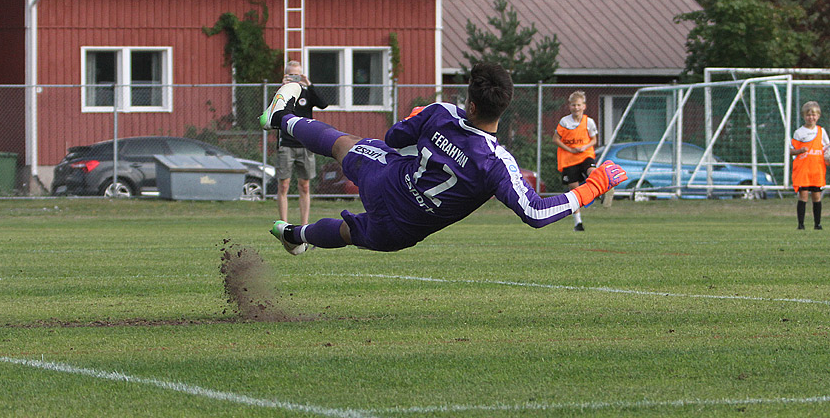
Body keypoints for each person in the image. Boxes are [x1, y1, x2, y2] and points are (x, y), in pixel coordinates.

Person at [259, 61, 627, 255]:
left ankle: (281, 118)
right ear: (505, 108)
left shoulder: (442, 112)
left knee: (344, 144)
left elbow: (393, 137)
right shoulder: (496, 162)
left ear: (471, 102)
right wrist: (596, 185)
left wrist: (417, 119)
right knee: (349, 232)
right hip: (405, 228)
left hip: (387, 180)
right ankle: (295, 234)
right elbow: (535, 213)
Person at [274, 60, 328, 226]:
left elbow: (323, 104)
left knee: (304, 186)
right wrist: (282, 87)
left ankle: (304, 225)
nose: (294, 78)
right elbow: (273, 111)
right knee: (284, 185)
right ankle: (284, 224)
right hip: (286, 144)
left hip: (304, 144)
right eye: (291, 75)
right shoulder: (283, 94)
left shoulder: (306, 93)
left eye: (297, 74)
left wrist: (309, 84)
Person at [552, 90, 604, 231]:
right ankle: (578, 223)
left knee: (592, 171)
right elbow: (556, 139)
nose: (576, 108)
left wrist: (584, 146)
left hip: (584, 154)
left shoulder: (589, 122)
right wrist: (570, 149)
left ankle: (602, 190)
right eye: (574, 105)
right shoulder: (565, 122)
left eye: (579, 105)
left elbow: (594, 139)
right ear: (570, 106)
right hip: (569, 159)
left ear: (584, 106)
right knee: (574, 192)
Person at [790, 100, 830, 230]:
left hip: (817, 169)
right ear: (803, 116)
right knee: (803, 195)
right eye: (808, 115)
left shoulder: (821, 131)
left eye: (814, 115)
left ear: (818, 116)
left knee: (817, 196)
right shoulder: (799, 132)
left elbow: (827, 148)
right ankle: (800, 224)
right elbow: (790, 151)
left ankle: (817, 224)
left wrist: (827, 157)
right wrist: (799, 151)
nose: (811, 117)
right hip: (803, 170)